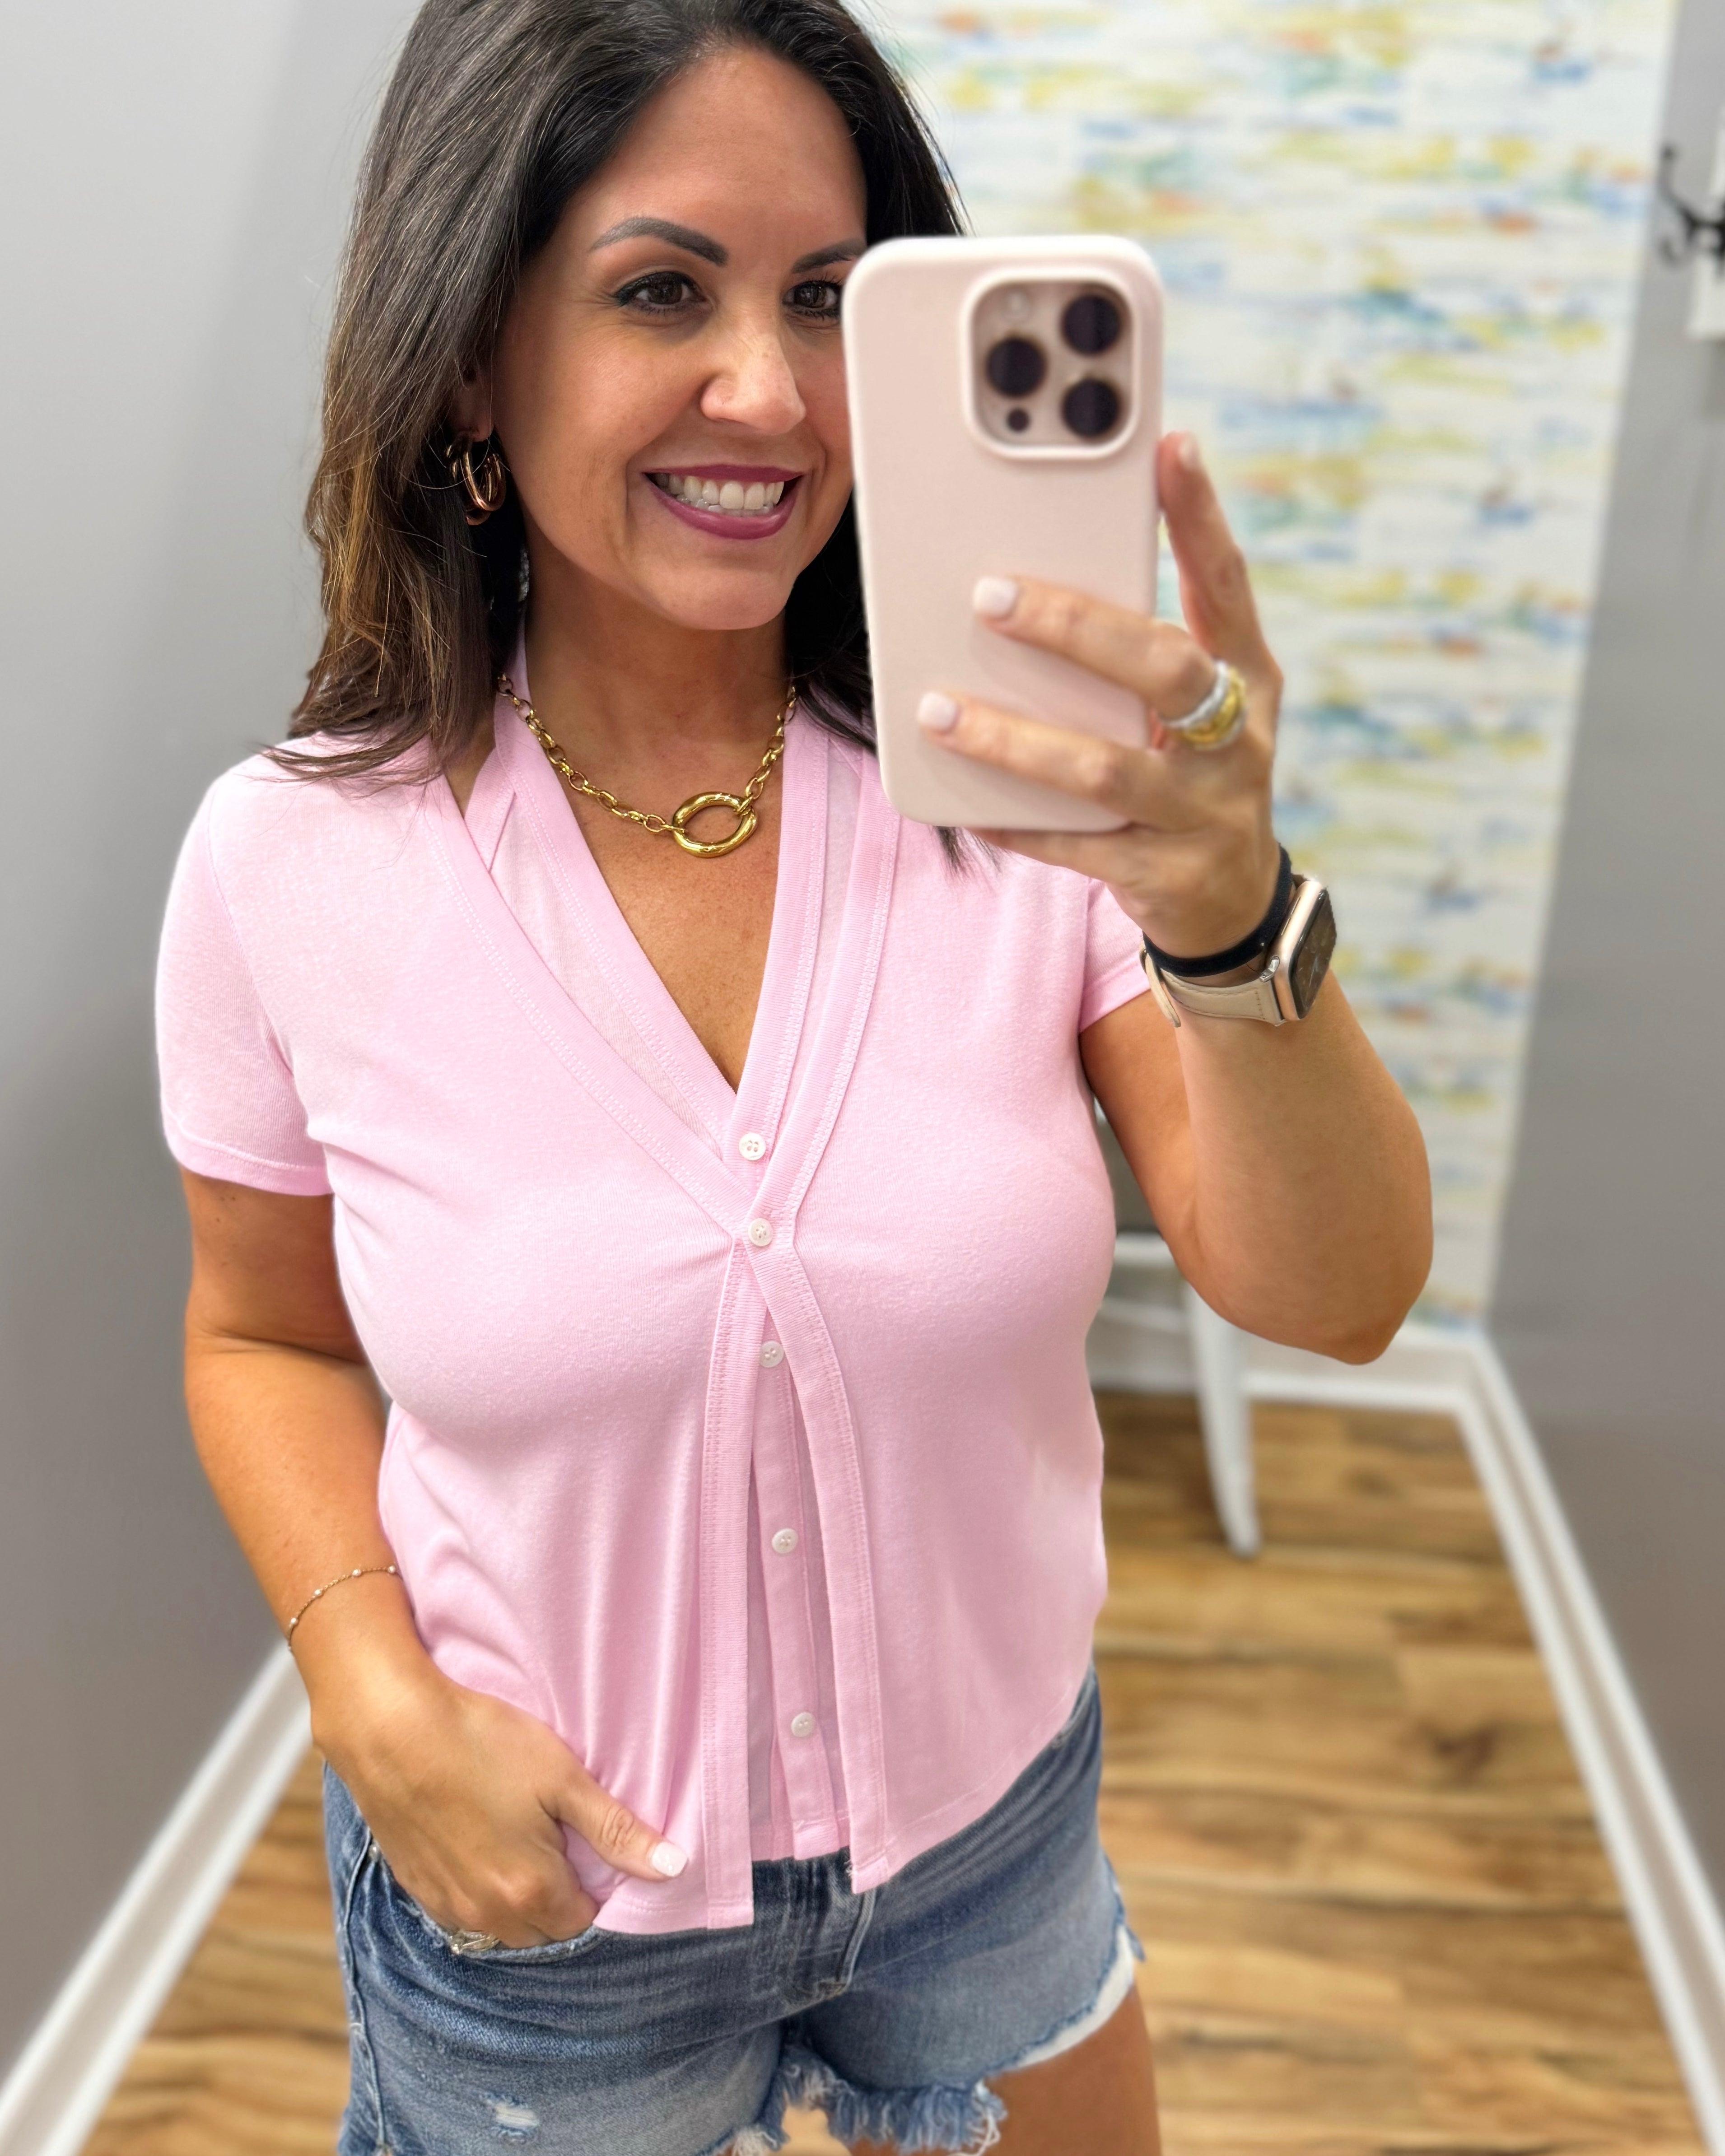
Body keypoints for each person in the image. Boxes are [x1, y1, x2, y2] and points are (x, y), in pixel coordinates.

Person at [154, 1, 1431, 2150]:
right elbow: (260, 1335)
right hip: (555, 1909)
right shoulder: (292, 865)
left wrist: (1229, 905)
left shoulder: (1029, 817)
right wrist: (368, 1693)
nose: (770, 389)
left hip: (993, 1842)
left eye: (831, 303)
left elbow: (1334, 1296)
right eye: (664, 290)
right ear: (475, 356)